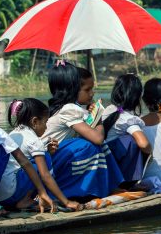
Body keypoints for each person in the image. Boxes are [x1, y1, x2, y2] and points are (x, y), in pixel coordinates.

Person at [0, 86, 61, 214]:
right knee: (2, 153)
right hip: (2, 192)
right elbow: (25, 162)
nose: (0, 113)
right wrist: (61, 199)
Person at [42, 61, 123, 200]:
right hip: (50, 162)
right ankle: (103, 188)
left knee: (90, 142)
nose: (92, 93)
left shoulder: (62, 108)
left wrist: (92, 115)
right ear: (72, 89)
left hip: (50, 160)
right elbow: (97, 138)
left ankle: (111, 186)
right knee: (92, 144)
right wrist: (98, 117)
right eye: (87, 90)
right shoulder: (69, 109)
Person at [0, 97, 80, 212]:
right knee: (45, 159)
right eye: (45, 122)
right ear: (35, 122)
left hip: (0, 197)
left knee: (43, 157)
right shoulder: (33, 140)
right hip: (12, 192)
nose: (46, 127)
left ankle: (24, 199)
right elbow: (45, 175)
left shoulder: (13, 133)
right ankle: (32, 199)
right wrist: (66, 202)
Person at [102, 73, 152, 185]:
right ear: (137, 97)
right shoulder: (128, 119)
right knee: (133, 141)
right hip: (115, 167)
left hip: (106, 162)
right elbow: (144, 145)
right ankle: (129, 183)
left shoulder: (109, 110)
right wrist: (151, 153)